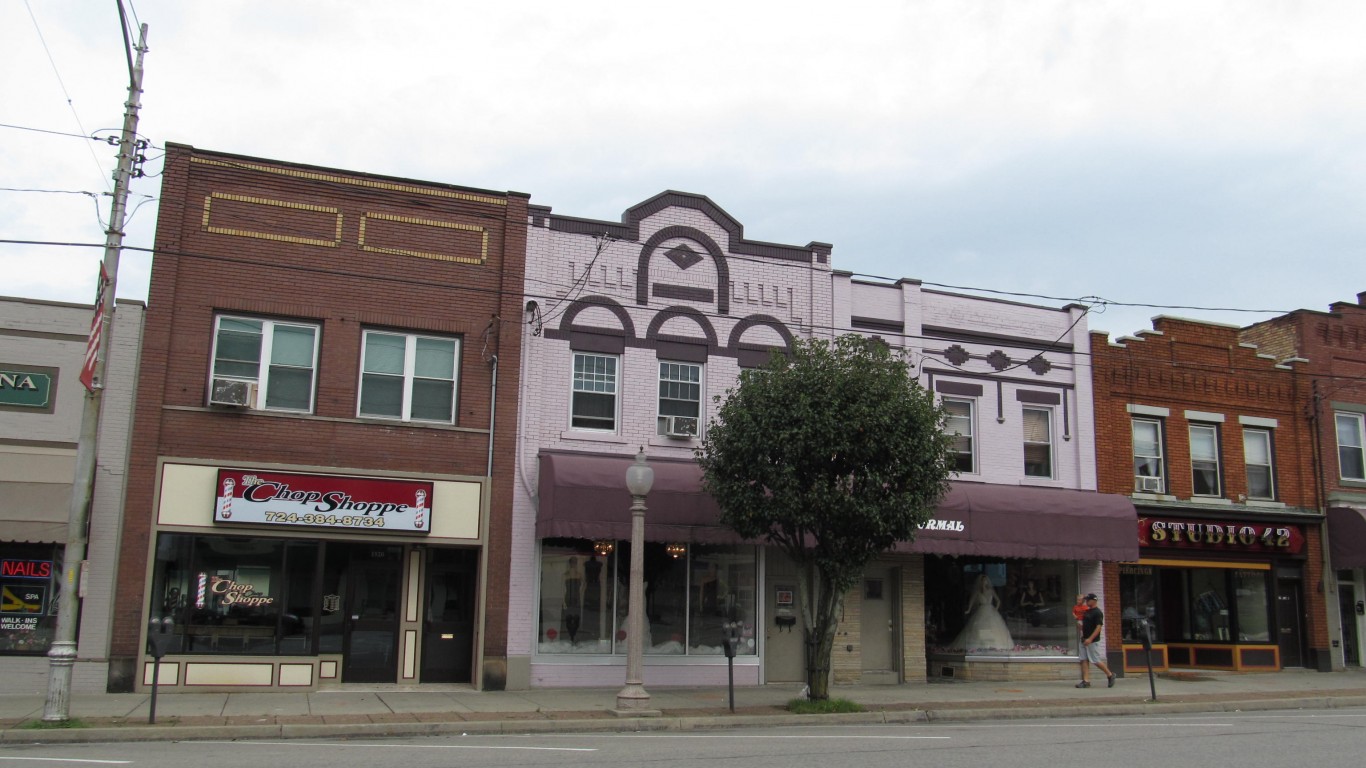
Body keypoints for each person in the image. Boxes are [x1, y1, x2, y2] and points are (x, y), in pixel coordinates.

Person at [950, 573, 1014, 652]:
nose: (984, 582)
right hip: (982, 610)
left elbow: (998, 601)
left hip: (991, 611)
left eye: (986, 581)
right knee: (980, 627)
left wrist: (996, 610)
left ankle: (992, 644)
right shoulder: (977, 592)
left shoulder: (991, 591)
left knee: (993, 627)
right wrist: (968, 610)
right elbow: (972, 601)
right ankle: (982, 644)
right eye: (983, 581)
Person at [1077, 593, 1115, 688]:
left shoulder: (1097, 613)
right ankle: (1086, 681)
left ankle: (1110, 674)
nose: (1086, 601)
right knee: (1084, 659)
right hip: (1084, 639)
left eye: (1088, 600)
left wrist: (1090, 639)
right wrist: (1080, 627)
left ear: (1094, 600)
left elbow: (1098, 627)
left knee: (1095, 660)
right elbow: (1084, 625)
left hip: (1092, 641)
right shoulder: (1087, 612)